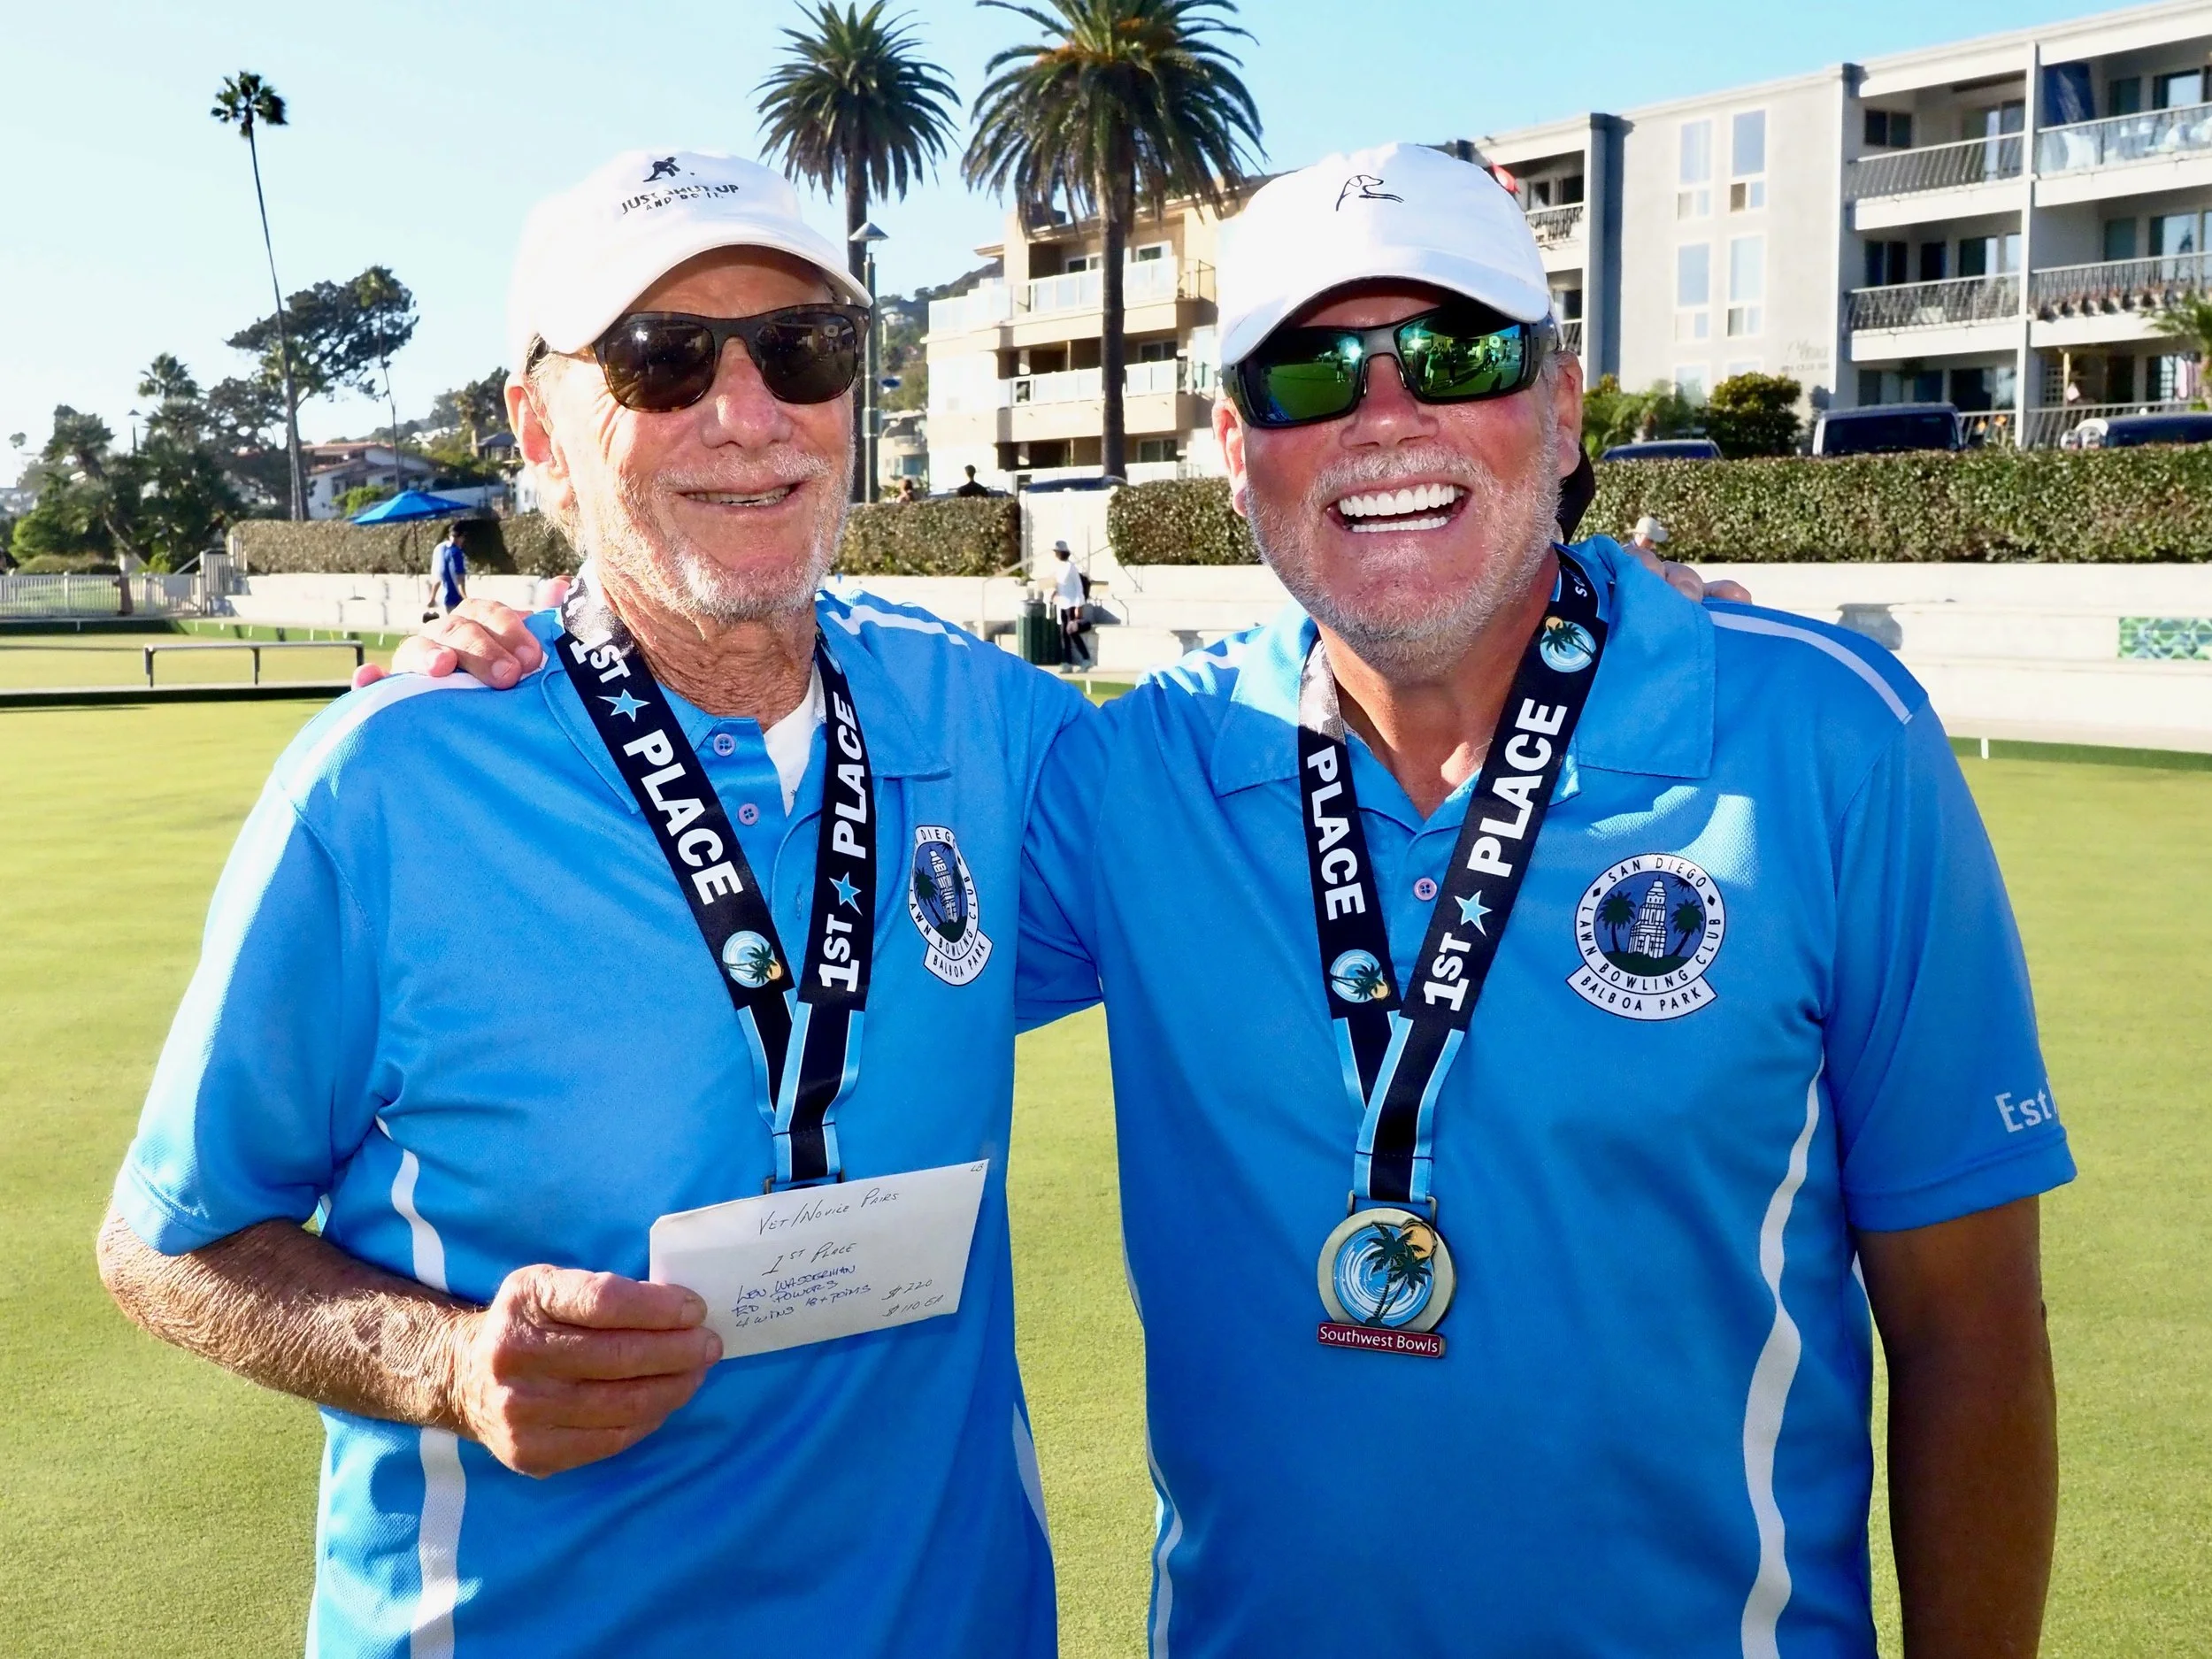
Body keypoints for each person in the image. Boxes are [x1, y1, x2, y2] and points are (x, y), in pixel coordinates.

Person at [388, 145, 2055, 1658]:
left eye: (1459, 354)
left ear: (1560, 408)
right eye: (1311, 372)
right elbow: (804, 793)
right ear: (1236, 447)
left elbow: (1970, 1323)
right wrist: (568, 624)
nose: (1385, 417)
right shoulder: (1136, 775)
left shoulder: (1826, 735)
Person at [96, 150, 1078, 1657]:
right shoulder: (390, 784)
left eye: (801, 350)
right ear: (538, 426)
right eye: (659, 361)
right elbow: (169, 1244)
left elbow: (1305, 766)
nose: (745, 416)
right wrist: (447, 1364)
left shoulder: (988, 719)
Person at [1048, 539, 1090, 669]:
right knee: (1064, 634)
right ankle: (1067, 662)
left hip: (1071, 605)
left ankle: (1086, 658)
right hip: (1062, 604)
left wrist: (1079, 606)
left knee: (1072, 632)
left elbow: (1078, 588)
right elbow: (1057, 585)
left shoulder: (1070, 568)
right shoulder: (1057, 568)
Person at [428, 524, 469, 617]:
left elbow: (439, 576)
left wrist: (432, 598)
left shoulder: (443, 550)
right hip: (456, 599)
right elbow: (459, 578)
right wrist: (466, 598)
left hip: (446, 599)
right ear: (462, 537)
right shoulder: (456, 553)